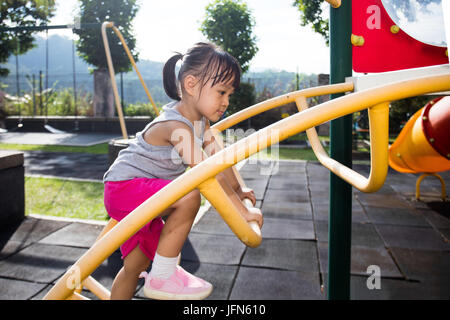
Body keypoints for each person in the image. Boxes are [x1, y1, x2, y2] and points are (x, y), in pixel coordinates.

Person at [103, 42, 264, 300]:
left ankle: (156, 275)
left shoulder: (202, 123)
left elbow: (220, 161)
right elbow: (206, 175)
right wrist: (242, 212)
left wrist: (240, 189)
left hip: (144, 192)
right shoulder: (176, 127)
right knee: (190, 195)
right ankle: (164, 276)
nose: (226, 101)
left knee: (135, 265)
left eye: (229, 95)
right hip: (125, 189)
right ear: (190, 85)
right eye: (221, 92)